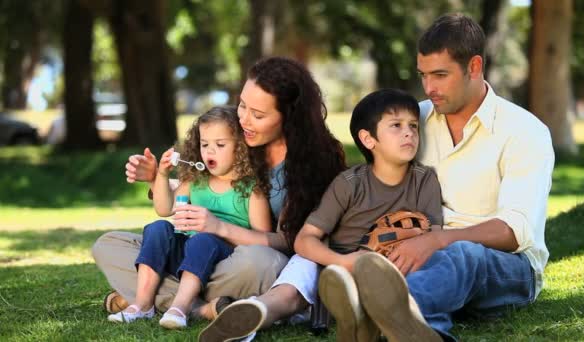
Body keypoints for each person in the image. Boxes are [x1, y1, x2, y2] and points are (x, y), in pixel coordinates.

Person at [311, 13, 555, 342]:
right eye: (423, 75)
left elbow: (513, 232)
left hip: (505, 267)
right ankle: (420, 328)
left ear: (474, 67)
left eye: (440, 75)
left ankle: (373, 311)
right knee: (415, 265)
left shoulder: (525, 132)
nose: (429, 88)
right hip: (418, 257)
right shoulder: (414, 121)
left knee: (464, 254)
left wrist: (437, 240)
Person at [92, 57, 346, 339]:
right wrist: (157, 177)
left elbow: (292, 243)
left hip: (246, 262)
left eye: (258, 115)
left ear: (289, 117)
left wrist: (220, 228)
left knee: (262, 262)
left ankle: (157, 298)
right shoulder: (240, 141)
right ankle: (202, 306)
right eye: (242, 105)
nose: (244, 120)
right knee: (110, 245)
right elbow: (204, 186)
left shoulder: (310, 167)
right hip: (197, 256)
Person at [294, 88, 444, 341]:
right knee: (328, 277)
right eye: (396, 125)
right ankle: (351, 307)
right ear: (368, 139)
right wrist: (343, 262)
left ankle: (367, 317)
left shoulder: (424, 179)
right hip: (345, 265)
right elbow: (304, 239)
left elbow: (435, 236)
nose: (409, 132)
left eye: (414, 126)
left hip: (397, 267)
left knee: (434, 268)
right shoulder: (349, 183)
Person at [106, 106, 272, 329]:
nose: (209, 151)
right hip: (187, 256)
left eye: (220, 145)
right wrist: (162, 175)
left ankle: (180, 308)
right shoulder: (195, 180)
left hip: (224, 261)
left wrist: (217, 227)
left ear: (241, 147)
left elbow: (262, 241)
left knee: (203, 239)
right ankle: (143, 305)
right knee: (157, 228)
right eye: (205, 145)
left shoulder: (252, 189)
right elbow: (165, 209)